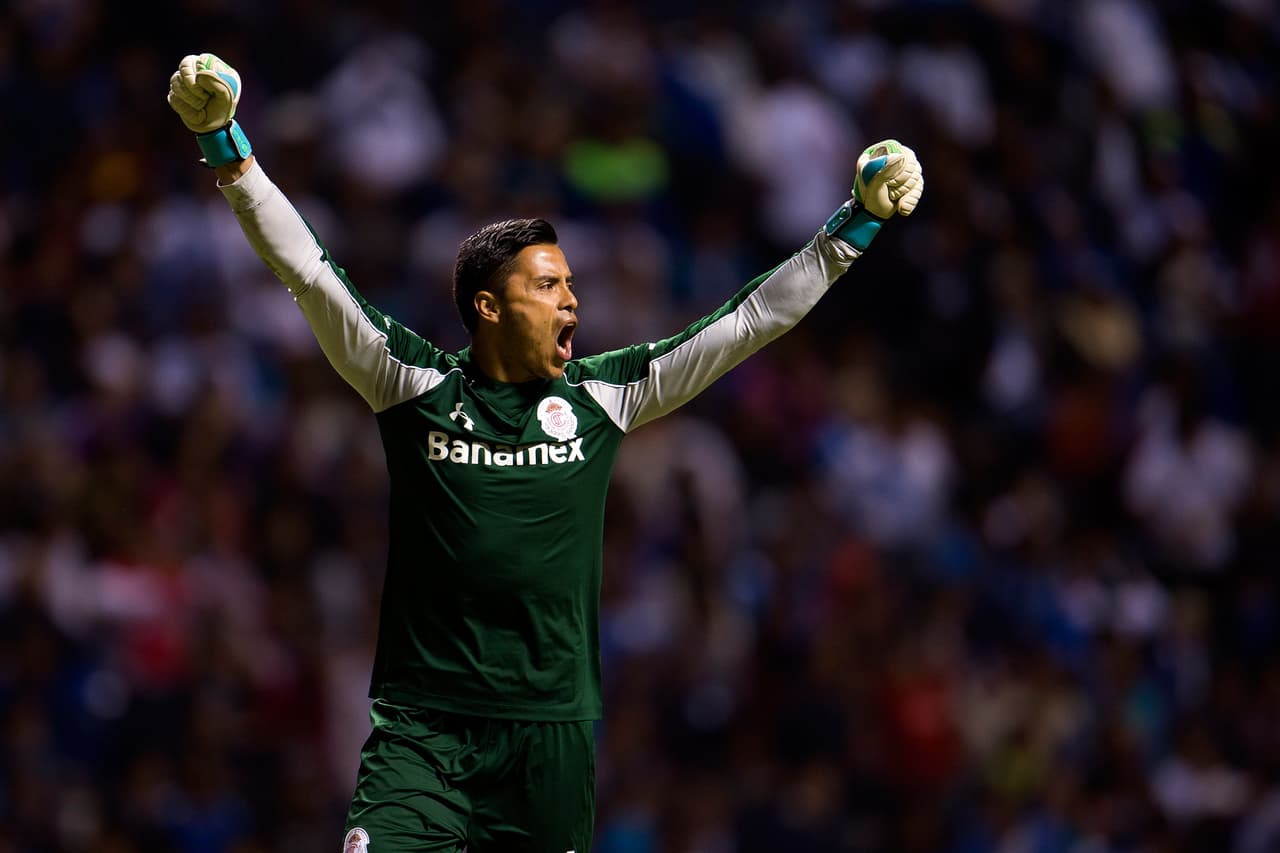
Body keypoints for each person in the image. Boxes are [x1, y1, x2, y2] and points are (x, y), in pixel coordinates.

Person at [167, 52, 923, 853]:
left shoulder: (604, 397)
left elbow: (748, 321)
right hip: (425, 736)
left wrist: (855, 225)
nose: (572, 301)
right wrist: (224, 142)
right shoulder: (412, 384)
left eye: (570, 285)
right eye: (547, 286)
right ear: (488, 307)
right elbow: (309, 271)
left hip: (548, 743)